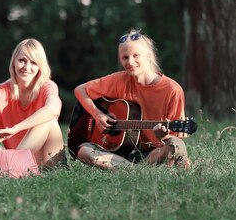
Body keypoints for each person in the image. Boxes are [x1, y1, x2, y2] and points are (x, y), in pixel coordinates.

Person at [71, 29, 190, 169]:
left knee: (175, 145)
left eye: (136, 55)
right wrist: (98, 115)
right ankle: (135, 171)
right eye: (125, 57)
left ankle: (126, 169)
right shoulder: (119, 80)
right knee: (84, 151)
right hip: (118, 152)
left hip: (152, 153)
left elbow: (176, 138)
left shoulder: (172, 90)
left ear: (149, 56)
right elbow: (80, 90)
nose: (130, 62)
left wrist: (162, 136)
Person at [0, 38, 66, 168]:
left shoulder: (47, 86)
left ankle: (11, 164)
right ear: (13, 62)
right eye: (22, 60)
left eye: (33, 62)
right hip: (20, 159)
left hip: (48, 161)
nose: (26, 67)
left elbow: (53, 110)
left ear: (40, 66)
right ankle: (13, 163)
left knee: (48, 120)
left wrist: (16, 128)